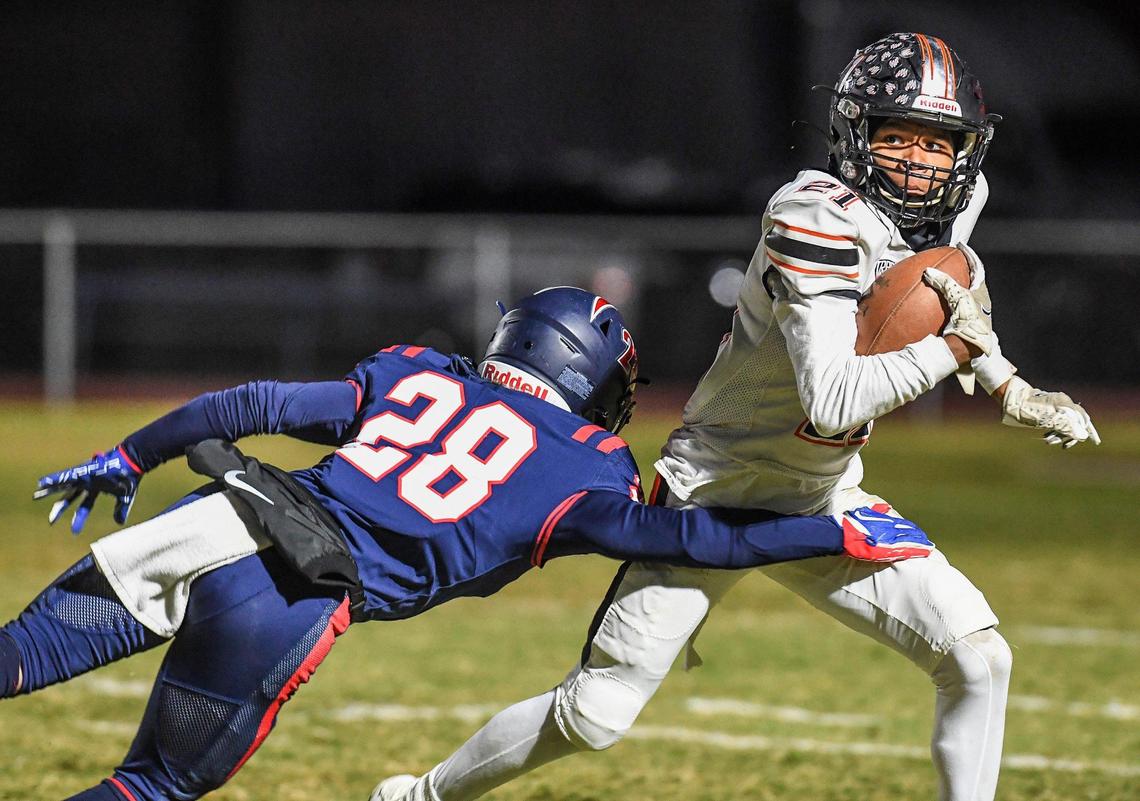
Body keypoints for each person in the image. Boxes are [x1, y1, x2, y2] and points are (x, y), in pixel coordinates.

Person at [373, 32, 1101, 801]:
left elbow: (954, 291)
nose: (922, 161)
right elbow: (836, 398)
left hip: (822, 496)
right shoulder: (813, 217)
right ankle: (416, 796)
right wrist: (956, 350)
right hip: (714, 493)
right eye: (899, 138)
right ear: (857, 136)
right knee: (594, 713)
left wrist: (1007, 384)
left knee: (978, 657)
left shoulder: (957, 206)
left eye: (939, 143)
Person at [0, 287, 931, 801]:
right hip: (291, 589)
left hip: (217, 512)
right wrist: (830, 528)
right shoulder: (584, 463)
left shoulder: (419, 374)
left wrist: (129, 453)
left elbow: (252, 406)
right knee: (149, 787)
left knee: (14, 655)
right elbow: (691, 538)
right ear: (592, 377)